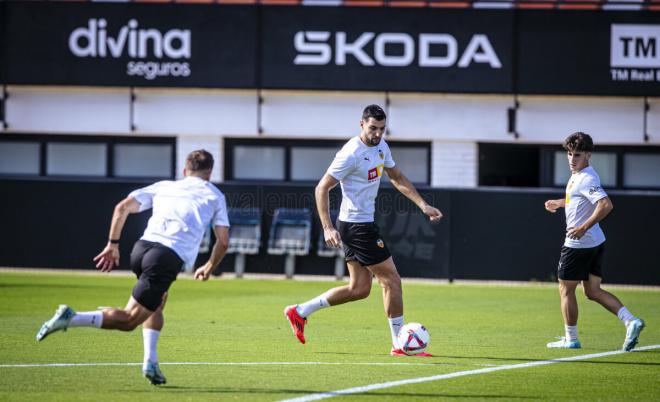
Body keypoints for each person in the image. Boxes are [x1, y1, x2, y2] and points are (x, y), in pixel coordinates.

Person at [36, 149, 230, 384]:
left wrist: (112, 244)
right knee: (129, 321)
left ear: (184, 170)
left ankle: (151, 362)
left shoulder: (164, 186)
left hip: (141, 250)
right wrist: (209, 266)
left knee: (157, 304)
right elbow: (223, 241)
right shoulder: (215, 195)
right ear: (209, 173)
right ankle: (72, 317)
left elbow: (122, 207)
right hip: (165, 258)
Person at [284, 104, 443, 356]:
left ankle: (300, 311)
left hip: (359, 225)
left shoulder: (381, 146)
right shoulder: (351, 153)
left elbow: (398, 178)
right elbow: (321, 188)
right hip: (357, 226)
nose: (377, 133)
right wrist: (327, 227)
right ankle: (399, 345)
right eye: (372, 128)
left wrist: (423, 204)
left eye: (382, 129)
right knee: (391, 280)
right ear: (361, 125)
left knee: (359, 289)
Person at [544, 132, 644, 350]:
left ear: (589, 155)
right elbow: (578, 199)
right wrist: (560, 203)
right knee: (592, 291)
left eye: (577, 154)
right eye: (569, 154)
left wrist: (582, 227)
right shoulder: (578, 175)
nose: (572, 159)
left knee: (565, 290)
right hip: (595, 243)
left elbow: (606, 205)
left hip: (578, 245)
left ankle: (571, 339)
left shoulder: (587, 177)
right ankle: (631, 321)